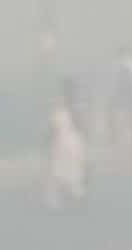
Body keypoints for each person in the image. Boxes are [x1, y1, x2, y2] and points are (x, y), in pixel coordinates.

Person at [44, 78, 88, 209]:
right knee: (74, 173)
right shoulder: (78, 108)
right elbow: (83, 127)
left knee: (57, 173)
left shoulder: (60, 109)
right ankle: (77, 196)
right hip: (75, 142)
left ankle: (54, 202)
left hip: (62, 143)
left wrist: (47, 141)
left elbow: (52, 128)